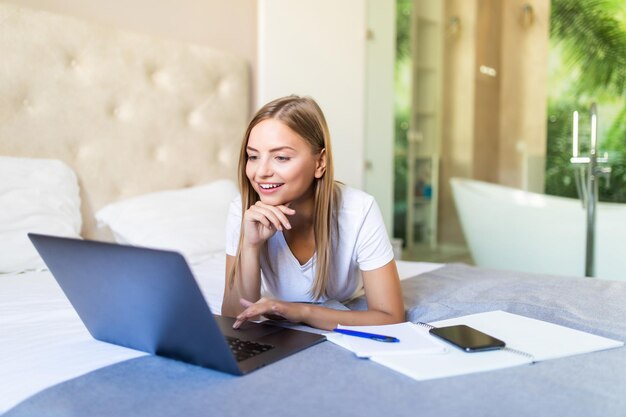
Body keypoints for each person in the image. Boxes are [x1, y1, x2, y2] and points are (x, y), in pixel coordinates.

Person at [221, 95, 404, 331]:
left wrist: (300, 312)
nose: (260, 172)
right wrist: (250, 246)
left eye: (281, 157)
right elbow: (236, 316)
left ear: (320, 163)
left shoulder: (358, 210)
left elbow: (391, 316)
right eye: (253, 156)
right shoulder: (243, 210)